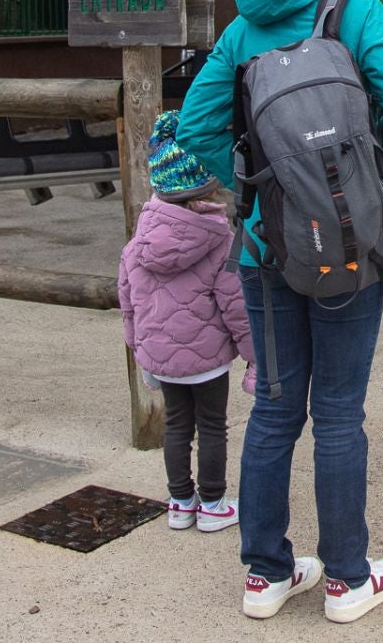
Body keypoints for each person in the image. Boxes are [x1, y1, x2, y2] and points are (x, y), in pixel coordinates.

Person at [178, 0, 383, 624]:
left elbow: (194, 128)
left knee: (272, 406)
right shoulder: (355, 12)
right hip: (350, 242)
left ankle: (265, 576)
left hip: (267, 244)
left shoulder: (244, 25)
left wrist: (257, 187)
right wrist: (354, 168)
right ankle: (348, 581)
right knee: (338, 413)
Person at [116, 110, 254, 536]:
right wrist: (255, 359)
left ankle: (179, 502)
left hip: (159, 357)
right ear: (205, 187)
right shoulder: (218, 241)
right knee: (212, 425)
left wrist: (140, 351)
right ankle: (212, 503)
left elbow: (128, 300)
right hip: (207, 358)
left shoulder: (137, 241)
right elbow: (236, 306)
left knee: (178, 425)